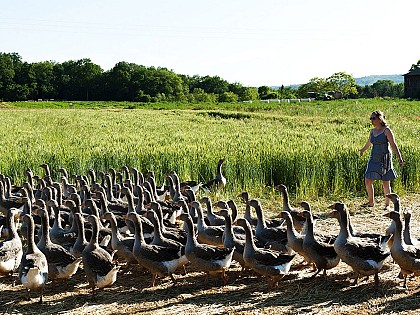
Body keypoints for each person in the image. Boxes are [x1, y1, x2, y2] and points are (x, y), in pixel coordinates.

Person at [359, 110, 404, 209]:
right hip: (373, 158)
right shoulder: (372, 131)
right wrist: (362, 150)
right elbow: (369, 143)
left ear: (380, 119)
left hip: (385, 158)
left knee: (385, 182)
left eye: (373, 118)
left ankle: (387, 205)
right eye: (370, 118)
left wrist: (399, 157)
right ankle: (371, 203)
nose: (371, 120)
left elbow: (393, 144)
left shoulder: (386, 130)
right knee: (368, 180)